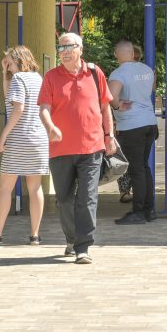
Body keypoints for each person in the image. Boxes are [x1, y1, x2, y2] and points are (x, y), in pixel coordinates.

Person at [37, 32, 115, 264]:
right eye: (61, 48)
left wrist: (109, 135)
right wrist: (50, 126)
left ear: (80, 49)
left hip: (92, 146)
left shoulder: (94, 73)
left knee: (87, 197)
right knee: (64, 199)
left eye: (70, 46)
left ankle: (83, 246)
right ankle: (72, 239)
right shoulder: (51, 77)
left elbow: (105, 107)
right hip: (60, 148)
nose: (65, 51)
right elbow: (44, 108)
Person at [0, 46, 48, 245]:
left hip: (19, 138)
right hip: (38, 139)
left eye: (9, 62)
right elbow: (9, 99)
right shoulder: (37, 78)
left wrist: (3, 135)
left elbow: (17, 109)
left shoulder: (19, 79)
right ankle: (35, 235)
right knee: (35, 187)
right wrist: (5, 74)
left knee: (5, 188)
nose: (7, 66)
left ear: (20, 60)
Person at [107, 39, 159, 224]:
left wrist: (117, 105)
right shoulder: (147, 70)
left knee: (136, 169)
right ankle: (149, 209)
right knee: (144, 167)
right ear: (132, 53)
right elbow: (152, 89)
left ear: (117, 55)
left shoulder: (118, 73)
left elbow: (111, 96)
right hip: (150, 123)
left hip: (131, 126)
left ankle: (138, 212)